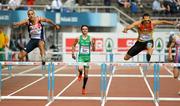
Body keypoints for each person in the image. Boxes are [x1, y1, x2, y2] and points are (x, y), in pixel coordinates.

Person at [72, 25, 95, 95]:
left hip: (87, 58)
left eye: (86, 29)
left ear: (88, 30)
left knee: (86, 75)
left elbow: (93, 50)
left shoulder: (91, 38)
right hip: (81, 57)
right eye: (83, 29)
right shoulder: (78, 38)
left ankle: (83, 87)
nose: (85, 30)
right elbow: (73, 45)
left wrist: (93, 45)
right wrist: (72, 53)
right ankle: (80, 73)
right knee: (80, 68)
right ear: (81, 30)